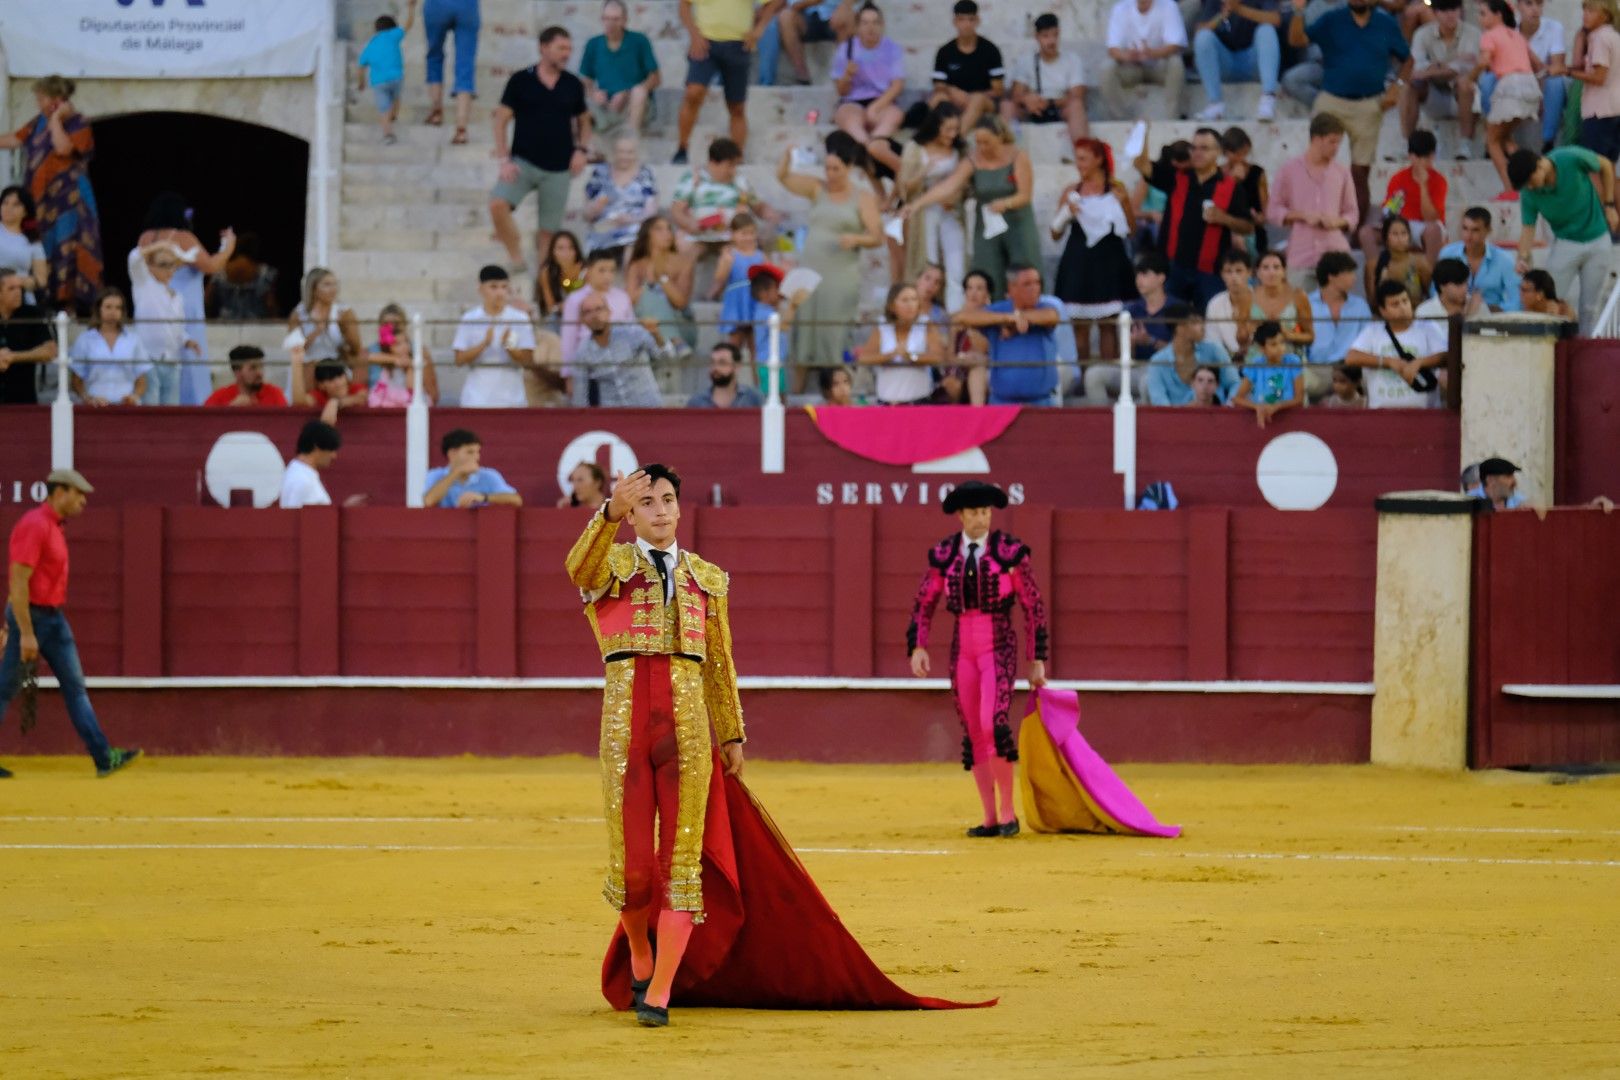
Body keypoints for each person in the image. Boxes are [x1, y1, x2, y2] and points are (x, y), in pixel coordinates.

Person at [572, 467, 986, 1025]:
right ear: (633, 513)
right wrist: (607, 515)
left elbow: (718, 662)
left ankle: (661, 990)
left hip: (690, 731)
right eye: (648, 503)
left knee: (681, 866)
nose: (662, 511)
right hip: (623, 732)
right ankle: (641, 955)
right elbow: (577, 567)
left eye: (669, 499)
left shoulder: (707, 579)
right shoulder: (613, 566)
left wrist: (732, 731)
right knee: (634, 873)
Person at [907, 480, 1048, 837]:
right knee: (973, 730)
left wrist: (1037, 658)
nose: (982, 519)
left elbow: (1034, 606)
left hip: (998, 647)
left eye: (986, 512)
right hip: (963, 652)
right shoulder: (944, 555)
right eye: (974, 512)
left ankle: (1007, 814)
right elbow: (925, 602)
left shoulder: (1010, 553)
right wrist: (918, 646)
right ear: (960, 515)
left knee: (992, 725)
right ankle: (989, 818)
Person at [0, 469, 140, 779]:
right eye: (78, 494)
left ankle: (104, 758)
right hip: (32, 618)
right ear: (59, 492)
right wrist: (24, 632)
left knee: (75, 689)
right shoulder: (35, 526)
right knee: (4, 689)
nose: (83, 501)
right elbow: (19, 582)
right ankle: (103, 755)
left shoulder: (53, 527)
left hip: (53, 618)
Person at [1290, 0, 1411, 225]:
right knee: (1317, 162)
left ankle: (1355, 232)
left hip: (1369, 103)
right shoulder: (1332, 19)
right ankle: (1311, 222)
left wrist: (1398, 86)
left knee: (1360, 173)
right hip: (1332, 99)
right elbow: (1297, 40)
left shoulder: (1385, 24)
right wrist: (1298, 11)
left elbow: (1408, 59)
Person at [777, 139, 883, 394]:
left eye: (836, 168)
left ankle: (837, 395)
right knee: (803, 330)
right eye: (827, 168)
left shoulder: (863, 197)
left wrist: (856, 239)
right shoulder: (817, 188)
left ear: (849, 167)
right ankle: (795, 396)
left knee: (834, 334)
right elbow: (783, 177)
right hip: (810, 270)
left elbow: (876, 236)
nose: (830, 174)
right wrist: (787, 155)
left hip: (840, 274)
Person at [0, 76, 104, 315]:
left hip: (70, 200)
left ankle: (70, 308)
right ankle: (45, 304)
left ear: (57, 100)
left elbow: (63, 148)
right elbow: (17, 138)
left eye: (42, 98)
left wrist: (56, 119)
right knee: (43, 248)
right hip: (42, 201)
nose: (38, 103)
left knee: (68, 249)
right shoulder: (37, 122)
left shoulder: (78, 123)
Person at [492, 27, 591, 274]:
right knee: (497, 204)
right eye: (561, 48)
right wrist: (504, 159)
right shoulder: (520, 80)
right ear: (543, 47)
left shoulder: (572, 84)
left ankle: (543, 288)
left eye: (569, 48)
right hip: (523, 162)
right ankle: (516, 258)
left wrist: (581, 150)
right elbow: (501, 120)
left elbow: (584, 120)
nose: (566, 54)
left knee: (548, 233)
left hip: (558, 168)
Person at [907, 116, 1038, 298]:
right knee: (987, 269)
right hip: (987, 225)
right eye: (978, 142)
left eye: (987, 142)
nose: (982, 147)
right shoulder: (973, 159)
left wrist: (1006, 203)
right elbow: (949, 185)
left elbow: (1025, 195)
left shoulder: (1017, 156)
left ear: (999, 137)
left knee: (1024, 269)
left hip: (1017, 221)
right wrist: (917, 204)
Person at [1133, 125, 1253, 308]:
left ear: (1218, 152)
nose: (1197, 153)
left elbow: (1247, 226)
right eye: (1194, 147)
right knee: (1172, 324)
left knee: (1208, 324)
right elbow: (1142, 165)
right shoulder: (1177, 177)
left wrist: (1224, 219)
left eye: (1204, 148)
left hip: (1210, 270)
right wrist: (1143, 132)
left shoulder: (1231, 186)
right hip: (1174, 267)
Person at [1509, 147, 1619, 332]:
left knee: (1590, 307)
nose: (1530, 187)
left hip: (1598, 238)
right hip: (1565, 243)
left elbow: (1606, 165)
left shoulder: (1570, 158)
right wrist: (1522, 256)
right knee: (1545, 299)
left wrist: (1609, 205)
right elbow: (1528, 228)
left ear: (1539, 167)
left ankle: (1586, 351)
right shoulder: (1530, 193)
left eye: (1530, 181)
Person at [1052, 137, 1136, 367]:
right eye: (1077, 159)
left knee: (1109, 326)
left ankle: (1109, 378)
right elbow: (1055, 233)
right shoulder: (1071, 191)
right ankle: (1084, 378)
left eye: (1083, 159)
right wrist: (1067, 213)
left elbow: (1130, 230)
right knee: (1080, 327)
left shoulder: (1116, 190)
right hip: (1079, 262)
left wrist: (1126, 204)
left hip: (1108, 260)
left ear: (1098, 160)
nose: (1079, 164)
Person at [674, 0, 784, 163]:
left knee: (737, 106)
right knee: (693, 92)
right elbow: (684, 5)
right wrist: (694, 35)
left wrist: (759, 29)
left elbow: (775, 2)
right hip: (705, 42)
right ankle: (682, 148)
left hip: (738, 44)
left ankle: (737, 156)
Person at [1266, 115, 1357, 293]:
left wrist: (1337, 221)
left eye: (1338, 142)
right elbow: (1273, 210)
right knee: (1300, 312)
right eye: (1332, 142)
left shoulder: (1342, 172)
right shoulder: (1289, 170)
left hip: (1335, 253)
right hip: (1301, 253)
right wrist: (1302, 216)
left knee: (1338, 308)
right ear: (1316, 139)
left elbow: (1352, 213)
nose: (1336, 147)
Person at [953, 265, 1062, 404]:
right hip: (1003, 403)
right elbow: (962, 318)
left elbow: (1052, 317)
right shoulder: (999, 309)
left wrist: (1018, 319)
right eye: (1027, 284)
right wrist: (1007, 318)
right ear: (1012, 288)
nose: (1034, 288)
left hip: (1042, 402)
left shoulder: (1045, 307)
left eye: (1037, 283)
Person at [898, 104, 968, 308]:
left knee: (956, 265)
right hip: (923, 213)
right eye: (947, 129)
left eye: (956, 129)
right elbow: (905, 187)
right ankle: (923, 310)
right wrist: (923, 172)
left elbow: (966, 184)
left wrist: (954, 197)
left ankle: (955, 314)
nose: (952, 134)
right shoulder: (916, 147)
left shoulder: (960, 149)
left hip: (951, 212)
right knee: (927, 265)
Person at [1471, 0, 1541, 199]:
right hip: (1530, 87)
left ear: (1498, 15)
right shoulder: (1517, 35)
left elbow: (1484, 61)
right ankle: (1532, 180)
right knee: (1506, 139)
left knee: (1491, 141)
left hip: (1510, 87)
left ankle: (1510, 188)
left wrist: (1469, 77)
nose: (1480, 18)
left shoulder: (1489, 36)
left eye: (1483, 13)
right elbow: (1537, 63)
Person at [1345, 279, 1448, 408]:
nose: (1403, 308)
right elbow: (1351, 357)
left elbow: (1445, 356)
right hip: (1382, 413)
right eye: (1395, 304)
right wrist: (1388, 362)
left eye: (1405, 301)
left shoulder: (1428, 327)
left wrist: (1418, 363)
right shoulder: (1373, 330)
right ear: (1383, 311)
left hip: (1424, 413)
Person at [1364, 130, 1448, 276]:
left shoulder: (1439, 181)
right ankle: (1377, 276)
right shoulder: (1398, 178)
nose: (1423, 162)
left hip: (1424, 226)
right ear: (1411, 156)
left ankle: (1431, 279)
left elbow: (1431, 218)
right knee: (1365, 233)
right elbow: (1388, 210)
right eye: (1419, 158)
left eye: (1427, 158)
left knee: (1434, 231)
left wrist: (1423, 186)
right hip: (1400, 223)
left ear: (1433, 156)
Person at [454, 265, 539, 407]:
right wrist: (484, 344)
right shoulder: (470, 318)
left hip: (512, 399)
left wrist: (509, 346)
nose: (499, 292)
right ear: (481, 289)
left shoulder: (519, 318)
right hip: (476, 399)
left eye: (504, 287)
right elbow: (459, 359)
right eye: (493, 287)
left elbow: (528, 361)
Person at [574, 291, 679, 406]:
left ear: (609, 312)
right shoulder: (582, 352)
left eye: (599, 309)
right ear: (582, 319)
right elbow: (580, 398)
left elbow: (668, 358)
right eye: (588, 312)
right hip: (613, 418)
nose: (594, 315)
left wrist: (657, 335)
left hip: (648, 410)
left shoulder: (632, 333)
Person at [1402, 0, 1480, 154]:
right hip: (1434, 96)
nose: (1450, 15)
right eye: (1444, 10)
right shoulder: (1422, 34)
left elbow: (1467, 67)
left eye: (1454, 9)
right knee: (1408, 87)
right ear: (1435, 13)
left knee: (1465, 83)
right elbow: (1418, 69)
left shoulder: (1473, 33)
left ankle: (1465, 145)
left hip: (1464, 98)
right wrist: (1449, 66)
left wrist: (1433, 68)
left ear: (1460, 11)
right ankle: (1408, 145)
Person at [1002, 14, 1089, 144]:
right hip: (1032, 110)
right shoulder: (1026, 61)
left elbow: (1077, 95)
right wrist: (1027, 99)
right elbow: (1016, 94)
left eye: (1054, 35)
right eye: (1046, 36)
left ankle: (1083, 151)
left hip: (1060, 108)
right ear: (1037, 37)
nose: (1051, 41)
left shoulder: (1072, 60)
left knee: (1076, 106)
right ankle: (1005, 155)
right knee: (1007, 106)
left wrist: (1048, 103)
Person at [581, 0, 662, 137]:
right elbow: (586, 79)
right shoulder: (593, 44)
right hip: (605, 104)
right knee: (573, 96)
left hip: (633, 104)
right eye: (606, 18)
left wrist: (627, 93)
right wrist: (594, 92)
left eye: (616, 19)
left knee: (639, 92)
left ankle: (631, 141)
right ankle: (587, 149)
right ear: (602, 19)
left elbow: (655, 78)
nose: (610, 24)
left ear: (625, 20)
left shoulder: (639, 41)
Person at [1192, 0, 1283, 121]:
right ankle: (1215, 104)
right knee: (1203, 38)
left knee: (1267, 30)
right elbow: (1200, 31)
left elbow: (1275, 19)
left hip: (1254, 63)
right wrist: (1221, 16)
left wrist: (1239, 9)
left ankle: (1268, 98)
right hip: (1225, 63)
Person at [128, 241, 195, 406]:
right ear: (150, 266)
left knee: (171, 408)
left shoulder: (177, 297)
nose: (169, 270)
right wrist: (161, 245)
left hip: (172, 359)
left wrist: (186, 340)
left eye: (172, 265)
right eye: (163, 264)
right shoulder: (143, 284)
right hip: (149, 358)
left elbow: (178, 327)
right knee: (151, 405)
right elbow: (134, 258)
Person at [857, 282, 947, 404]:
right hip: (887, 403)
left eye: (914, 299)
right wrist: (890, 355)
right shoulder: (882, 326)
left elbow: (938, 357)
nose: (910, 304)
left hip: (918, 402)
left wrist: (911, 357)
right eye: (905, 300)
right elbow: (864, 358)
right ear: (892, 306)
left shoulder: (925, 324)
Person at [626, 216, 698, 367]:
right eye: (659, 229)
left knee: (650, 296)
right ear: (647, 235)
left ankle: (674, 340)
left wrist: (662, 279)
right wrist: (647, 286)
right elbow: (629, 302)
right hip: (648, 327)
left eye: (668, 229)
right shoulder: (636, 266)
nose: (666, 233)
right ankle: (674, 342)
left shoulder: (684, 263)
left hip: (681, 325)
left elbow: (680, 303)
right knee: (647, 296)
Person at [671, 138, 761, 254]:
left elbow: (757, 205)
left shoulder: (740, 180)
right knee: (684, 247)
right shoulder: (692, 178)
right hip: (698, 234)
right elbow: (677, 209)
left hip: (732, 235)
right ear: (713, 163)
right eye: (729, 165)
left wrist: (770, 214)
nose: (733, 170)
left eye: (735, 165)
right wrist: (689, 224)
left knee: (747, 246)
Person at [1102, 0, 1189, 120]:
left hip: (1159, 66)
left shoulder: (1168, 6)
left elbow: (1176, 45)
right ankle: (1120, 118)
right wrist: (1127, 56)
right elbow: (1112, 49)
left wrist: (1152, 53)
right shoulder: (1121, 9)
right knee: (1107, 67)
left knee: (1175, 61)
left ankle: (1172, 117)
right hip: (1131, 68)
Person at [930, 1, 1005, 132]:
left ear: (977, 21)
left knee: (978, 99)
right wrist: (952, 91)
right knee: (938, 99)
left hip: (984, 102)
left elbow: (998, 89)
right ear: (955, 22)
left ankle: (959, 139)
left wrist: (971, 97)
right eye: (961, 20)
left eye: (971, 19)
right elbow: (938, 85)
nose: (966, 25)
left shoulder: (991, 50)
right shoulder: (945, 51)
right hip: (954, 100)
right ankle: (930, 141)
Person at [583, 138, 659, 262]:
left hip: (634, 224)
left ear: (636, 154)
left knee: (634, 242)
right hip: (605, 225)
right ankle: (589, 279)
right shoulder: (600, 172)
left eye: (630, 152)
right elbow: (587, 213)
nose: (625, 156)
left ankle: (629, 279)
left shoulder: (645, 173)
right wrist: (596, 208)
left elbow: (651, 211)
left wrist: (631, 219)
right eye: (621, 152)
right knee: (594, 241)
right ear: (613, 153)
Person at [1307, 250, 1372, 395]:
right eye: (1349, 273)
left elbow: (1368, 340)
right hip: (1317, 369)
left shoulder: (1360, 305)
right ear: (1332, 277)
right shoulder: (1306, 304)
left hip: (1352, 370)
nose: (1354, 278)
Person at [69, 289, 148, 407]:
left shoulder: (133, 339)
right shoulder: (85, 339)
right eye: (108, 307)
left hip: (127, 405)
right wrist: (88, 399)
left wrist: (134, 397)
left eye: (118, 308)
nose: (113, 312)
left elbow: (141, 379)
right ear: (99, 309)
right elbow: (76, 381)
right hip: (95, 405)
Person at [1147, 305, 1238, 404]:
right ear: (1179, 328)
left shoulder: (1214, 350)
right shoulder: (1157, 362)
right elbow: (1159, 401)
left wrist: (1229, 408)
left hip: (1215, 415)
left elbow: (1235, 383)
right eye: (1195, 322)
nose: (1203, 327)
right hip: (1177, 418)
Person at [561, 251, 636, 371]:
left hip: (622, 362)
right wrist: (568, 373)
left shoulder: (622, 297)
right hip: (590, 365)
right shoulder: (575, 299)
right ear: (588, 270)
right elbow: (569, 340)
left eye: (612, 271)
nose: (607, 276)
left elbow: (632, 328)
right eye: (601, 270)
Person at [288, 267, 363, 388]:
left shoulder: (344, 312)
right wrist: (317, 330)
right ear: (313, 289)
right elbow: (295, 349)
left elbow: (356, 348)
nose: (333, 289)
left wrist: (343, 328)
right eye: (327, 285)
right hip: (307, 368)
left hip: (334, 369)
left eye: (335, 284)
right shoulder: (299, 314)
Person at [1437, 206, 1522, 313]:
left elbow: (1517, 301)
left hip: (1492, 318)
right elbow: (1436, 291)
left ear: (1488, 230)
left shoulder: (1504, 259)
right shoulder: (1447, 253)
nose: (1468, 236)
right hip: (1452, 315)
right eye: (1465, 228)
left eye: (1475, 230)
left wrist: (1486, 310)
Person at [423, 0, 482, 142]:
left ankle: (436, 110)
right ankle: (461, 128)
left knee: (435, 56)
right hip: (467, 6)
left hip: (436, 6)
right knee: (465, 63)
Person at [1569, 0, 1620, 160]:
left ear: (1605, 15)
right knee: (1608, 168)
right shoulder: (1614, 36)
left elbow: (1599, 77)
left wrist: (1566, 71)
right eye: (1585, 10)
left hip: (1599, 112)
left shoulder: (1599, 39)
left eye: (1591, 11)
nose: (1585, 15)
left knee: (1594, 167)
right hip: (1615, 109)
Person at [423, 428, 523, 508]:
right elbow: (428, 501)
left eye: (477, 452)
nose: (476, 457)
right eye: (470, 452)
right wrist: (456, 473)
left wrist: (483, 497)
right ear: (452, 454)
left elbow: (516, 500)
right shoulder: (435, 475)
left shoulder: (489, 475)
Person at [1239, 250, 1314, 356]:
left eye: (1276, 267)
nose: (1271, 272)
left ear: (1284, 271)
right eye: (1265, 268)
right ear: (1258, 273)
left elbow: (1310, 337)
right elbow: (1240, 340)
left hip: (1290, 360)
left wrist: (1287, 335)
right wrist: (1248, 329)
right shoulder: (1248, 297)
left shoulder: (1298, 296)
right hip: (1257, 361)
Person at [357, 6, 414, 144]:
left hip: (378, 82)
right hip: (396, 77)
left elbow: (361, 66)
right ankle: (393, 116)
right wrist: (411, 9)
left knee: (383, 108)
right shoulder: (393, 35)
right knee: (396, 99)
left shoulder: (371, 44)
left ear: (376, 29)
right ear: (393, 26)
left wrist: (361, 82)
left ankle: (388, 133)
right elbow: (408, 25)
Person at [1232, 319, 1305, 427]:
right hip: (1262, 421)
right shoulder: (1256, 365)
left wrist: (1277, 406)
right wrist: (1257, 407)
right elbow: (1237, 399)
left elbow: (1299, 399)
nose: (1280, 348)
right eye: (1273, 344)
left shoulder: (1293, 362)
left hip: (1289, 420)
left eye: (1282, 342)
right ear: (1262, 349)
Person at [366, 303, 439, 407]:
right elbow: (370, 357)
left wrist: (409, 365)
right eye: (386, 323)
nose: (391, 327)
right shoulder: (379, 353)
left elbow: (412, 389)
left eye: (396, 323)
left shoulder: (418, 351)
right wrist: (395, 359)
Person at [712, 213, 771, 343]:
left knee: (755, 341)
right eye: (743, 233)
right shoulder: (730, 255)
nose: (748, 237)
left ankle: (755, 363)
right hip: (736, 302)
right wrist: (726, 262)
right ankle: (733, 363)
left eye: (752, 233)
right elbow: (719, 278)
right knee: (735, 340)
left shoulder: (761, 256)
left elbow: (769, 276)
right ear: (733, 234)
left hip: (755, 300)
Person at [0, 271, 56, 405]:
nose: (18, 292)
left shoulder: (32, 314)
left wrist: (14, 357)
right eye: (11, 288)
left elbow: (50, 351)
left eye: (20, 288)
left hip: (23, 400)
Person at [775, 0, 856, 84]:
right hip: (808, 16)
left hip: (834, 13)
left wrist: (844, 5)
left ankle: (845, 76)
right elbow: (793, 5)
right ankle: (803, 77)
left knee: (847, 17)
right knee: (785, 16)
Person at [206, 232, 280, 320]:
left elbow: (208, 300)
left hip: (225, 325)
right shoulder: (264, 273)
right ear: (256, 249)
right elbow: (270, 304)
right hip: (256, 326)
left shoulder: (220, 272)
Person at [1221, 126, 1269, 259]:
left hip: (1254, 232)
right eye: (1236, 154)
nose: (1241, 158)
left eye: (1244, 153)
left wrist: (1259, 217)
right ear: (1226, 152)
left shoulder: (1257, 172)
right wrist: (1232, 180)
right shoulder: (1218, 174)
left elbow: (1265, 209)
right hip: (1226, 232)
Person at [0, 187, 47, 303]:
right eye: (5, 203)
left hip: (21, 298)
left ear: (25, 211)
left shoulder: (32, 241)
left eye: (16, 205)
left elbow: (41, 279)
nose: (8, 208)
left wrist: (21, 282)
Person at [1204, 249, 1254, 357]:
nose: (1234, 277)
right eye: (1228, 271)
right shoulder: (1214, 304)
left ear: (1249, 273)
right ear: (1222, 274)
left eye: (1239, 271)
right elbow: (1213, 343)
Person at [281, 420, 342, 508]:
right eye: (331, 449)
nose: (334, 456)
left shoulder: (300, 472)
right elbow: (294, 517)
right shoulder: (302, 480)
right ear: (317, 445)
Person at [1372, 216, 1431, 306]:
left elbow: (1431, 293)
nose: (1400, 238)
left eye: (1404, 233)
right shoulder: (1374, 265)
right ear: (1386, 238)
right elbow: (1374, 301)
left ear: (1409, 236)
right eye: (1395, 234)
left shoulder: (1419, 262)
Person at [205, 345, 289, 407]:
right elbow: (204, 422)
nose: (260, 373)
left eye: (261, 367)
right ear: (237, 372)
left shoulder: (275, 394)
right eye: (253, 368)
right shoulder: (219, 397)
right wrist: (230, 409)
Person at [687, 342, 767, 406]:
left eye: (722, 363)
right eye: (712, 362)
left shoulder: (753, 398)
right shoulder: (697, 402)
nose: (715, 368)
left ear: (736, 367)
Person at [294, 359, 369, 425]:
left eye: (340, 376)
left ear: (346, 377)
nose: (338, 382)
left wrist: (336, 402)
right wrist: (297, 363)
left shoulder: (356, 388)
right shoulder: (319, 395)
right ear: (321, 385)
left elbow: (362, 398)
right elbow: (300, 402)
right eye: (331, 380)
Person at [1416, 256, 1487, 320]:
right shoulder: (1425, 312)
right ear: (1442, 286)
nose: (1465, 289)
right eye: (1458, 284)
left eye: (1465, 283)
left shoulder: (1478, 306)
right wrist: (1469, 316)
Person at [538, 231, 587, 321]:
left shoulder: (585, 271)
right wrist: (562, 307)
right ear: (552, 252)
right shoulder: (547, 273)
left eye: (571, 248)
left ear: (576, 251)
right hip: (561, 317)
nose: (566, 253)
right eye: (560, 248)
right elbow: (550, 307)